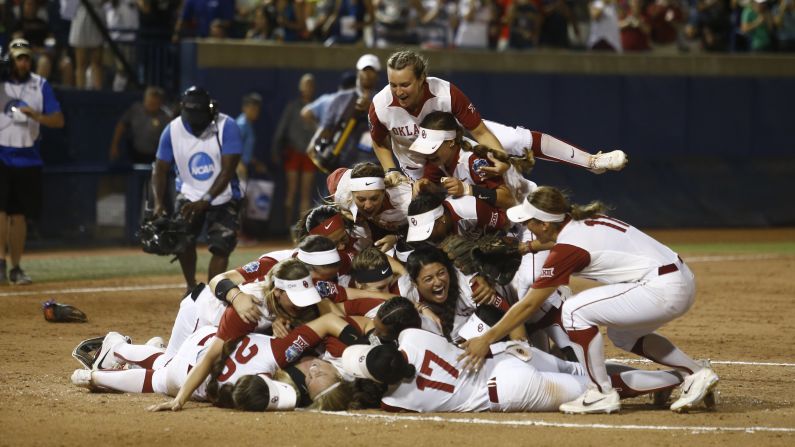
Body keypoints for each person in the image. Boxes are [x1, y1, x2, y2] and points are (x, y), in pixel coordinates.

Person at [460, 186, 720, 414]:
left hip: (661, 289)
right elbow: (565, 244)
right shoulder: (578, 221)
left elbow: (529, 304)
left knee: (574, 310)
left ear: (545, 224)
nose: (527, 228)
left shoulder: (566, 249)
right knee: (622, 336)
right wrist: (523, 248)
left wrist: (487, 338)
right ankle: (696, 372)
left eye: (530, 222)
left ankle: (599, 392)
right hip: (677, 278)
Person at [150, 86, 243, 291]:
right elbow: (160, 169)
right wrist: (158, 204)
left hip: (223, 196)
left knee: (221, 247)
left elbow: (227, 171)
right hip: (189, 194)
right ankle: (191, 287)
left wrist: (207, 199)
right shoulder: (172, 130)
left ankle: (212, 294)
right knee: (182, 240)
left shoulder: (227, 126)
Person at [368, 50, 507, 182]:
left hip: (453, 163)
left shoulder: (446, 94)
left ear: (422, 78)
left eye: (405, 85)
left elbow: (480, 131)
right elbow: (378, 142)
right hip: (415, 169)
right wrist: (391, 170)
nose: (398, 92)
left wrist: (502, 158)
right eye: (393, 85)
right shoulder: (380, 105)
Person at [0, 38, 65, 285]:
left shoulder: (40, 85)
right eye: (19, 58)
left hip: (28, 159)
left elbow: (58, 120)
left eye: (27, 57)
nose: (24, 62)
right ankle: (0, 262)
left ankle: (15, 267)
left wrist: (35, 115)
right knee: (0, 213)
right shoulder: (2, 83)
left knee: (18, 216)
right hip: (2, 155)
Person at [308, 54, 382, 172]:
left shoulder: (383, 100)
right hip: (342, 162)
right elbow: (327, 125)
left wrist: (371, 108)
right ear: (358, 72)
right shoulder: (341, 98)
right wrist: (314, 142)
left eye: (371, 71)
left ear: (377, 74)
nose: (367, 74)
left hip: (373, 163)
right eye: (364, 70)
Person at [273, 73, 318, 228]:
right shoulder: (292, 107)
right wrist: (276, 149)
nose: (308, 88)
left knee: (306, 191)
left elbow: (322, 129)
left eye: (311, 85)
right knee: (291, 190)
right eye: (305, 85)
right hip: (293, 152)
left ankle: (301, 228)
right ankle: (287, 227)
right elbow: (282, 129)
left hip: (309, 154)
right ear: (300, 87)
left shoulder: (317, 107)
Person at [109, 86, 171, 165]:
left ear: (160, 103)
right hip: (134, 152)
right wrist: (114, 145)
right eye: (149, 103)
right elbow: (121, 125)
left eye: (155, 104)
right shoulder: (135, 109)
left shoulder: (166, 117)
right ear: (145, 100)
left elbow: (170, 138)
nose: (151, 106)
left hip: (156, 155)